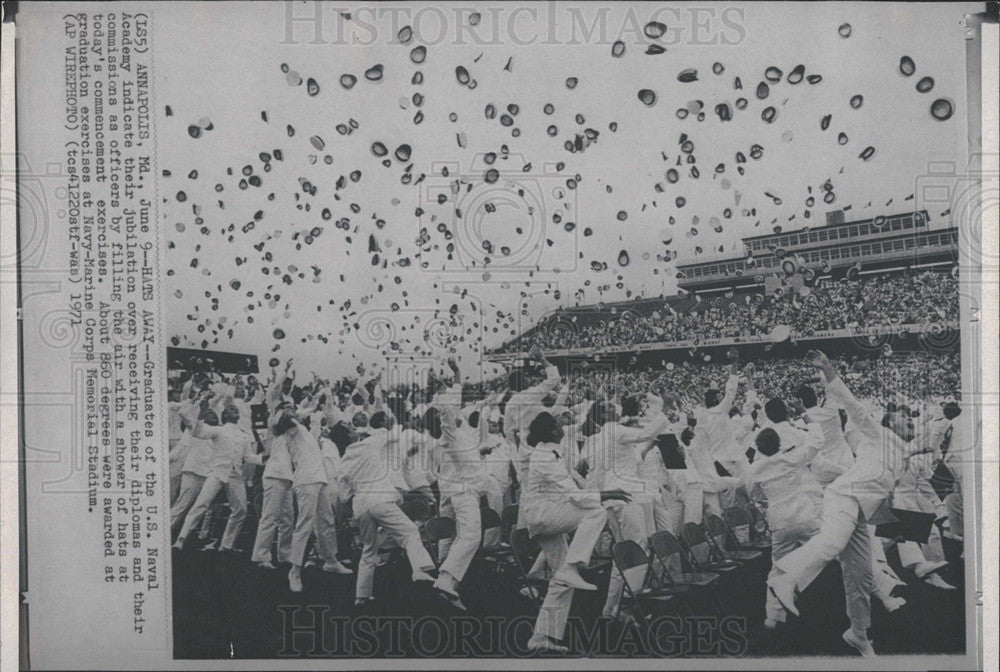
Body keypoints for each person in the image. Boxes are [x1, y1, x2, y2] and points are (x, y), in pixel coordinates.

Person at [769, 350, 922, 657]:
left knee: (861, 576)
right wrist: (828, 369)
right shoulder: (877, 433)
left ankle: (858, 634)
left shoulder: (904, 459)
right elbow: (853, 406)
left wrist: (897, 528)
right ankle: (787, 579)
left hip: (861, 514)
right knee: (830, 543)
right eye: (905, 417)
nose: (911, 421)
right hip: (842, 495)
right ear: (891, 421)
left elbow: (882, 494)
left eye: (912, 418)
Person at [520, 412, 629, 652]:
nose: (564, 428)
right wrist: (607, 494)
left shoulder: (548, 451)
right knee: (597, 511)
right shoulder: (545, 456)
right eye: (559, 425)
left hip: (546, 517)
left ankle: (541, 636)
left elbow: (571, 489)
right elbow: (575, 497)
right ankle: (573, 566)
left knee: (561, 581)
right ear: (552, 432)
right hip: (544, 517)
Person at [339, 411, 437, 605]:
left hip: (361, 507)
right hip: (380, 500)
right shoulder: (369, 444)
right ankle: (419, 570)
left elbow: (344, 496)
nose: (356, 430)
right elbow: (392, 433)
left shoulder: (343, 461)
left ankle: (362, 596)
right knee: (410, 533)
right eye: (352, 429)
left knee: (368, 550)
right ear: (351, 436)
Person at [746, 427, 823, 629]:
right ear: (779, 443)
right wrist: (804, 418)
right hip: (805, 516)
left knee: (778, 568)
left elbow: (753, 495)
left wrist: (769, 500)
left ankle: (773, 616)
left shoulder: (755, 469)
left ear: (760, 449)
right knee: (833, 552)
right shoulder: (792, 458)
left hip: (779, 522)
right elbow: (817, 440)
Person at [428, 358, 488, 610]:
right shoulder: (450, 436)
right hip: (462, 491)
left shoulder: (465, 431)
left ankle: (447, 581)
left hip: (460, 489)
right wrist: (441, 391)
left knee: (457, 535)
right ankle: (445, 578)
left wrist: (457, 374)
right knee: (471, 536)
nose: (459, 412)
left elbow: (457, 401)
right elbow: (448, 413)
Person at [271, 408, 352, 593]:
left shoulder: (305, 431)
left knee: (326, 522)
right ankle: (295, 572)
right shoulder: (290, 429)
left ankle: (331, 561)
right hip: (306, 481)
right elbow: (284, 420)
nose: (294, 412)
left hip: (321, 479)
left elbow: (318, 418)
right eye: (289, 410)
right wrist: (309, 409)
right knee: (304, 526)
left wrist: (321, 406)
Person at [173, 402, 265, 552]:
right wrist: (202, 413)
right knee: (201, 505)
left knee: (241, 510)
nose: (234, 408)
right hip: (217, 473)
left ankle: (226, 545)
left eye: (235, 408)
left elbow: (248, 457)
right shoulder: (219, 430)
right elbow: (198, 432)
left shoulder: (244, 435)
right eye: (230, 408)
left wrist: (262, 459)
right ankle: (180, 540)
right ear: (225, 416)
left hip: (235, 475)